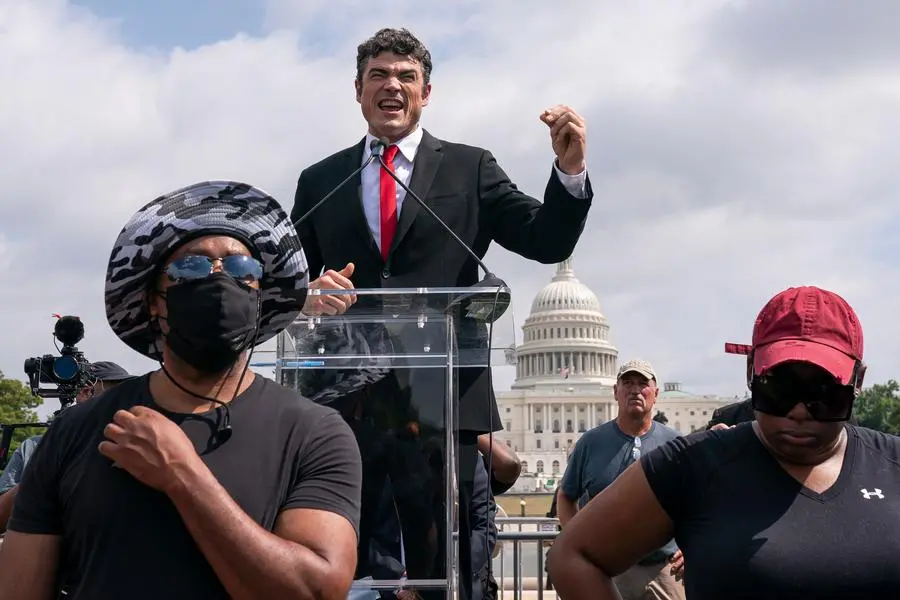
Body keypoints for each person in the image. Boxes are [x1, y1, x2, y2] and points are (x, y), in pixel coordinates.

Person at [290, 27, 593, 600]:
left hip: (442, 401)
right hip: (346, 404)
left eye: (406, 76)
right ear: (358, 90)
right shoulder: (321, 180)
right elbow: (286, 277)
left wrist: (569, 171)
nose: (392, 86)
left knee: (443, 566)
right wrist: (305, 292)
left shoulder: (468, 168)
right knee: (346, 560)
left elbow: (546, 239)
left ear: (426, 93)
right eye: (378, 75)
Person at [0, 181, 363, 600]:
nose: (220, 279)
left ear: (261, 295)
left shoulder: (314, 434)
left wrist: (183, 476)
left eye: (242, 269)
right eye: (191, 268)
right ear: (154, 301)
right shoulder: (76, 432)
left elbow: (315, 590)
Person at [547, 285, 900, 599]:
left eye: (822, 391)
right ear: (750, 372)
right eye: (779, 386)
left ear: (857, 382)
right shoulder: (693, 464)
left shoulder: (893, 465)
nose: (798, 411)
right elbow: (573, 555)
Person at [555, 360, 684, 600]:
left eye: (643, 384)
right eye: (628, 383)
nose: (635, 390)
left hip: (663, 568)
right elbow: (566, 495)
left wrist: (690, 547)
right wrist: (575, 545)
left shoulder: (676, 444)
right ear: (616, 392)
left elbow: (697, 502)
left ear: (656, 393)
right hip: (607, 569)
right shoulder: (590, 443)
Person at [0, 361, 134, 533]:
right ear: (85, 393)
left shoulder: (130, 448)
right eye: (116, 393)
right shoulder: (33, 447)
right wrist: (47, 468)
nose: (125, 402)